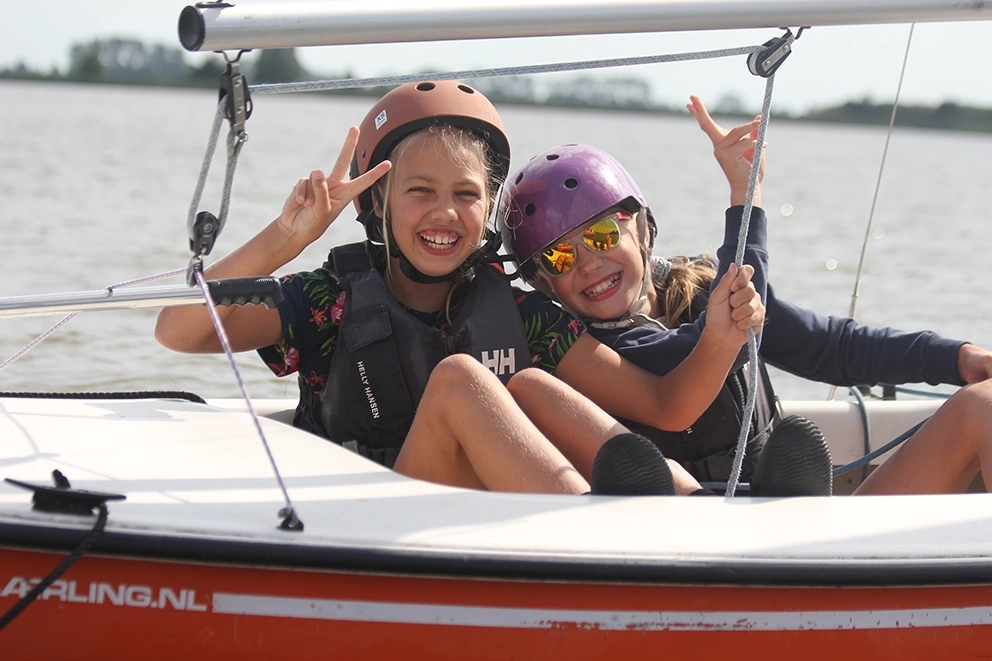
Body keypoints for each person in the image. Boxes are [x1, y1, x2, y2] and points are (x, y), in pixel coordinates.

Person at [155, 82, 765, 497]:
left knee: (528, 384)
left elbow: (666, 406)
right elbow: (178, 330)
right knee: (461, 379)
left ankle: (699, 515)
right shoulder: (327, 300)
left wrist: (722, 333)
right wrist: (287, 236)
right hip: (370, 532)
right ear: (377, 203)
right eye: (420, 191)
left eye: (466, 195)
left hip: (493, 527)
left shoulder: (524, 314)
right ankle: (604, 544)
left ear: (488, 206)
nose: (444, 213)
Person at [503, 95, 992, 495]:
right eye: (559, 259)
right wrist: (745, 198)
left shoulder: (700, 287)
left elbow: (829, 346)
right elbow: (703, 345)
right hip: (684, 546)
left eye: (602, 236)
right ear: (545, 284)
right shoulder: (578, 350)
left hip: (795, 513)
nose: (589, 263)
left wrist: (957, 359)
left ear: (644, 229)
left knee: (984, 404)